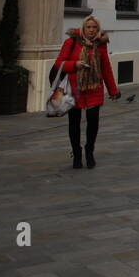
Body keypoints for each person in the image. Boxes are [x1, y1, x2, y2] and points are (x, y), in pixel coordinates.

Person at [53, 16, 119, 168]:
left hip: (94, 88)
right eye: (88, 27)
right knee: (74, 122)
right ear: (83, 28)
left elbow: (106, 68)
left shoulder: (101, 45)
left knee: (93, 119)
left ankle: (89, 150)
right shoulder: (71, 42)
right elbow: (59, 64)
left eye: (94, 27)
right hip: (75, 88)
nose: (91, 30)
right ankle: (76, 153)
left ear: (98, 29)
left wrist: (113, 90)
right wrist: (75, 64)